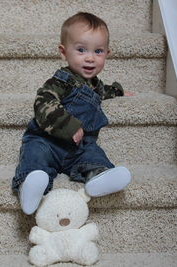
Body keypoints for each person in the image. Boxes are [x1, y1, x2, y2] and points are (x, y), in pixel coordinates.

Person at [12, 12, 134, 215]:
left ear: (107, 54)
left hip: (78, 147)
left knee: (93, 154)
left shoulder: (96, 85)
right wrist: (68, 124)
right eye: (81, 50)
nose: (90, 58)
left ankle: (98, 176)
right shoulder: (61, 81)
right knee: (35, 156)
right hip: (47, 142)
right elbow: (43, 103)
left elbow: (102, 92)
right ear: (63, 52)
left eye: (98, 51)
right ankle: (29, 185)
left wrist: (118, 91)